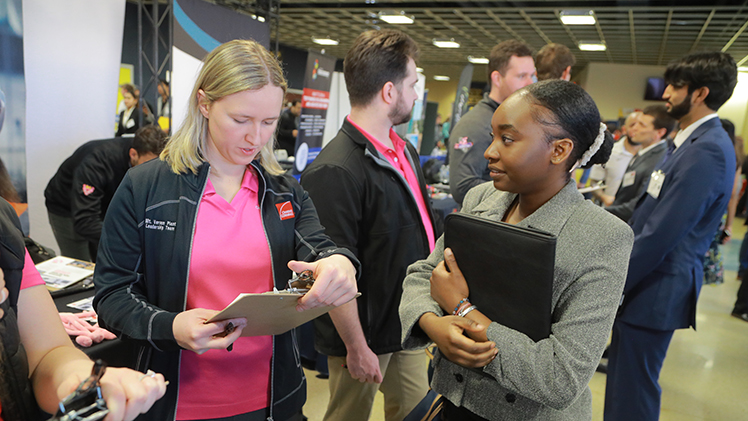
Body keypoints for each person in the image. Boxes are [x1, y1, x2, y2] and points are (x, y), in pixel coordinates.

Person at [93, 39, 359, 421]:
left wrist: (340, 264)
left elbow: (320, 248)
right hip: (174, 402)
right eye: (241, 120)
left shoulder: (283, 192)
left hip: (274, 401)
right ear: (204, 104)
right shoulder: (145, 187)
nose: (257, 138)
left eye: (269, 122)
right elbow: (112, 295)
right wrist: (171, 326)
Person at [400, 79, 634, 420]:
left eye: (507, 139)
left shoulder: (604, 237)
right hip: (451, 399)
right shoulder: (483, 198)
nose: (489, 151)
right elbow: (423, 273)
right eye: (494, 136)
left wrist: (462, 309)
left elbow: (560, 377)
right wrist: (431, 323)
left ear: (559, 150)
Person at [301, 29, 435, 421]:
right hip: (361, 335)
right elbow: (332, 272)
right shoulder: (335, 169)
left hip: (407, 321)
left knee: (416, 412)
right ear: (390, 92)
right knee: (349, 416)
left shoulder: (404, 150)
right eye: (412, 85)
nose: (415, 94)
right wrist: (356, 346)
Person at [604, 52, 737, 421]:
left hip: (657, 287)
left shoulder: (708, 149)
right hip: (648, 282)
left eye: (677, 86)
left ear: (700, 93)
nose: (667, 93)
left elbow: (662, 234)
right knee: (623, 385)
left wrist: (613, 283)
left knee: (633, 392)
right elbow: (649, 207)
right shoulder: (688, 141)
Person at [44, 125, 167, 262]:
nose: (154, 170)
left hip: (102, 203)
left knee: (104, 259)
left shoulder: (148, 160)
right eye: (150, 164)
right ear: (133, 154)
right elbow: (85, 221)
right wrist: (128, 237)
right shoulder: (96, 163)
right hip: (65, 206)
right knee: (79, 265)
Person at [448, 40, 535, 205]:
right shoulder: (475, 125)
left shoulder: (517, 120)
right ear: (497, 78)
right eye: (522, 76)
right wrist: (521, 193)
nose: (530, 83)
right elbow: (462, 186)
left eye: (532, 75)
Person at [605, 105, 674, 222]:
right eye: (635, 123)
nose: (634, 128)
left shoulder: (659, 160)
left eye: (642, 125)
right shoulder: (644, 151)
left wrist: (604, 212)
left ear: (660, 132)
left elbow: (639, 203)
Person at [589, 111, 642, 205]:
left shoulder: (650, 156)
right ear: (624, 129)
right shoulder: (610, 152)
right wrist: (604, 197)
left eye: (642, 125)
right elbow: (594, 184)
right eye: (633, 125)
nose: (637, 129)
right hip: (609, 210)